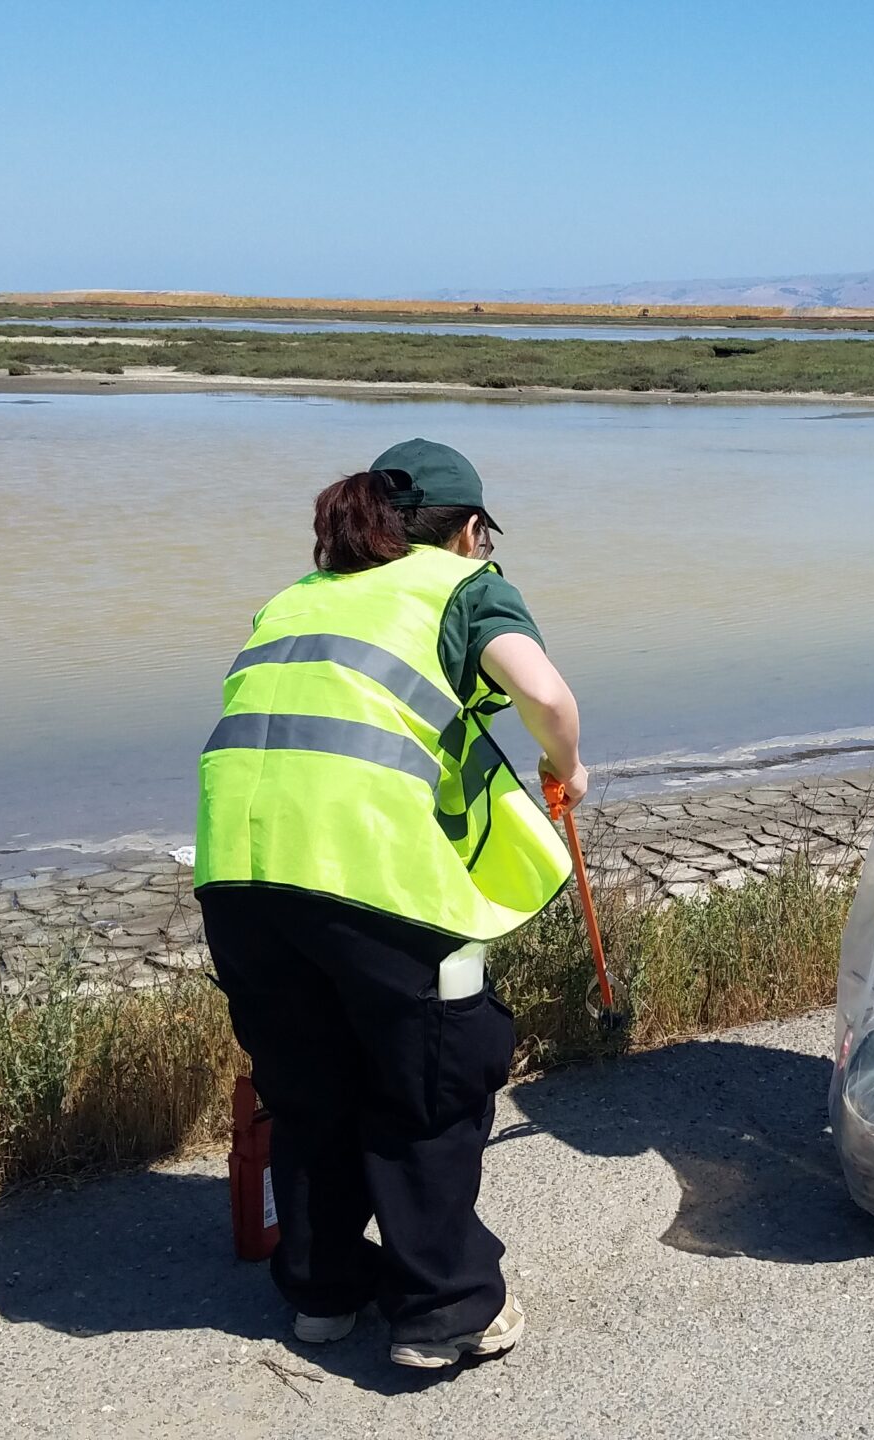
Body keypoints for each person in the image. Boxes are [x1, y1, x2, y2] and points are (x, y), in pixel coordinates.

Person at [192, 438, 585, 1367]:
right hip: (369, 873)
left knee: (309, 1085)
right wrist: (564, 770)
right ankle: (447, 1310)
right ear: (471, 531)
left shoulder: (295, 595)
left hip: (238, 876)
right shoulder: (461, 587)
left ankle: (323, 1295)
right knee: (430, 1084)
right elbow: (546, 695)